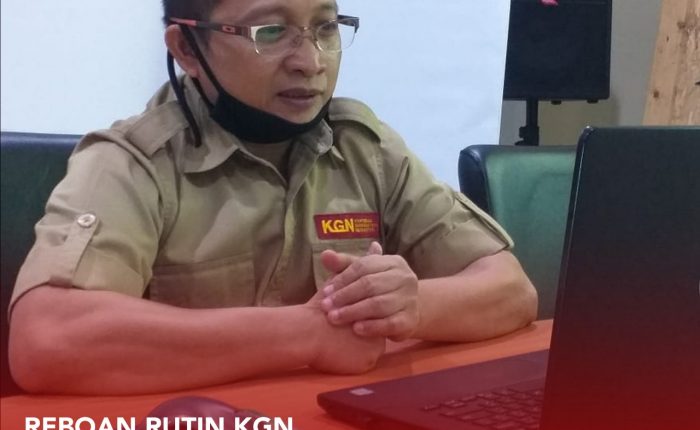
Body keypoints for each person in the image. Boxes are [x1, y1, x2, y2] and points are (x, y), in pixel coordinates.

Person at [8, 0, 537, 395]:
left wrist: (407, 307)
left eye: (325, 27)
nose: (310, 61)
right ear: (187, 49)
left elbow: (510, 290)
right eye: (270, 31)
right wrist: (307, 334)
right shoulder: (134, 160)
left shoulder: (364, 147)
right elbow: (46, 340)